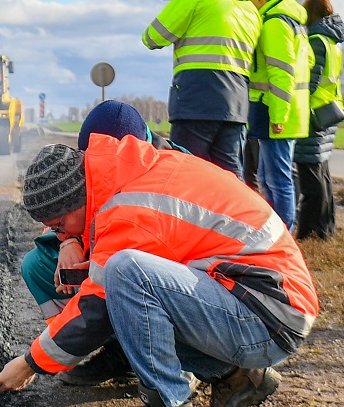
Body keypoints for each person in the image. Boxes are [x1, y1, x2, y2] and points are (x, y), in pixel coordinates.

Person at [0, 137, 319, 407]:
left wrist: (30, 362)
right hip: (255, 300)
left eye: (60, 225)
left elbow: (97, 307)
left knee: (125, 273)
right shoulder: (129, 176)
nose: (62, 235)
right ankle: (237, 377)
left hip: (268, 314)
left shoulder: (129, 208)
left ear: (75, 198)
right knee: (133, 303)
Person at [21, 100, 188, 387]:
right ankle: (108, 348)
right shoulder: (90, 168)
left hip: (178, 274)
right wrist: (68, 239)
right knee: (37, 265)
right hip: (112, 251)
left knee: (125, 275)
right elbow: (69, 204)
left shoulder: (173, 170)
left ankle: (178, 365)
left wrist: (33, 363)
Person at [142, 0, 261, 180]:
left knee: (185, 171)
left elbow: (152, 37)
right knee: (230, 175)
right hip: (236, 104)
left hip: (196, 99)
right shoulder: (250, 11)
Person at [248, 0, 314, 230]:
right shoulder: (293, 20)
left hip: (275, 111)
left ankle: (282, 234)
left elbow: (282, 73)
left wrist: (278, 116)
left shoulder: (274, 23)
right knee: (270, 177)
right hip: (290, 109)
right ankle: (278, 232)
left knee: (276, 179)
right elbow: (308, 61)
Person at [293, 0, 343, 240]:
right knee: (322, 176)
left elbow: (309, 83)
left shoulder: (316, 41)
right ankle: (326, 229)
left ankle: (310, 233)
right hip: (326, 114)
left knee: (311, 180)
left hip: (312, 117)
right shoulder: (332, 42)